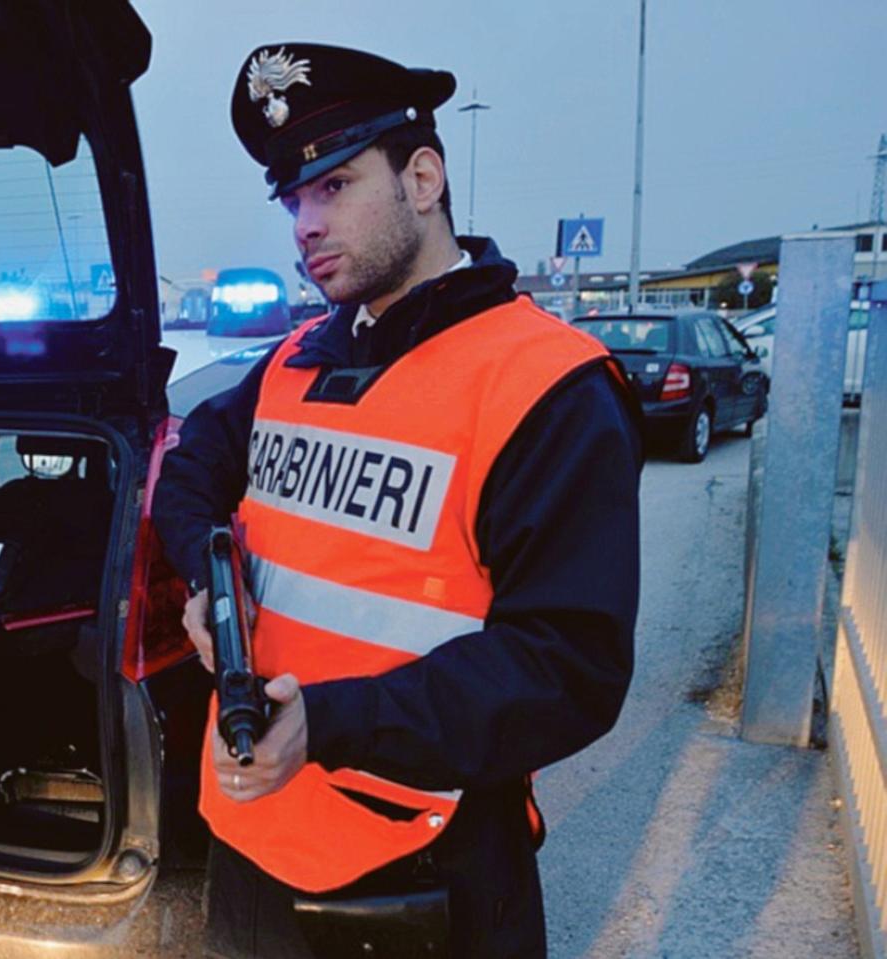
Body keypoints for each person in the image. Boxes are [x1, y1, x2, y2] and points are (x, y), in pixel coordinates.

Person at [152, 45, 643, 958]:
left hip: (426, 870)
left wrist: (332, 725)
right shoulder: (298, 356)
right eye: (293, 199)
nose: (304, 223)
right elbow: (188, 471)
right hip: (250, 846)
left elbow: (567, 667)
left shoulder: (547, 385)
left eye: (333, 186)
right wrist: (207, 579)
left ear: (423, 177)